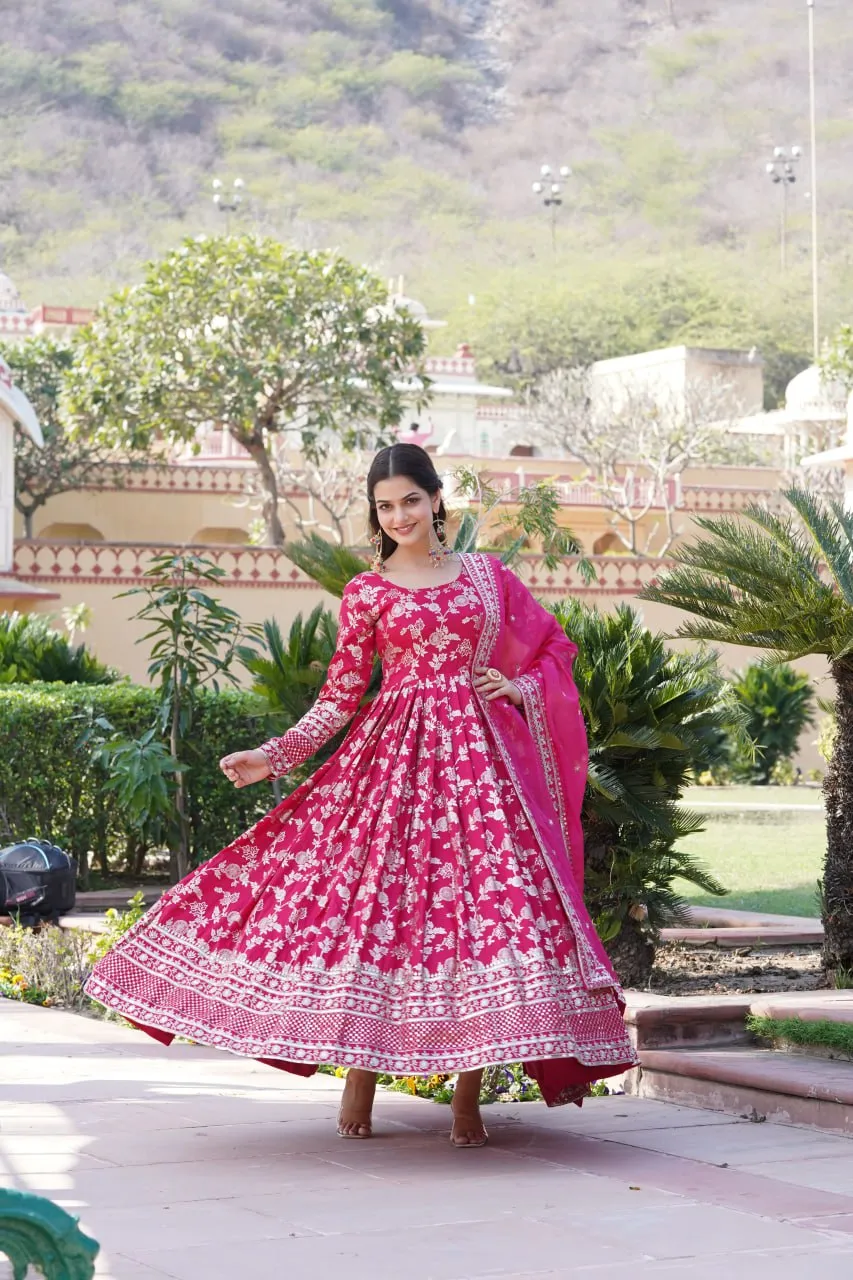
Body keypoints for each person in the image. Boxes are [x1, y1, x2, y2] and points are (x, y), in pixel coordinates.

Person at [86, 443, 637, 1147]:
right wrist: (272, 755)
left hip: (481, 773)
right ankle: (359, 1073)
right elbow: (341, 696)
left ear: (436, 499)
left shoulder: (486, 577)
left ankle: (465, 1096)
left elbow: (553, 650)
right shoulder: (368, 592)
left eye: (411, 499)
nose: (400, 515)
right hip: (390, 769)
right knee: (376, 911)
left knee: (485, 918)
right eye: (385, 506)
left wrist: (519, 687)